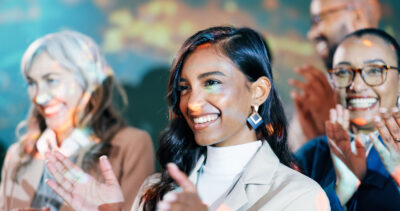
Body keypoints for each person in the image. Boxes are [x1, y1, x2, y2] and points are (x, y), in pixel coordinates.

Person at [44, 26, 330, 211]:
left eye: (212, 83)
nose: (192, 103)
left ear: (258, 91)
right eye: (184, 88)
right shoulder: (154, 189)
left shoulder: (299, 195)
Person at [0, 31, 154, 211]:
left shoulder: (132, 145)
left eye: (51, 80)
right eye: (32, 83)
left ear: (87, 82)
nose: (39, 97)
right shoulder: (18, 155)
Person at [295, 28, 400, 211]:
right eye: (343, 72)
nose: (357, 86)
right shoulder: (313, 155)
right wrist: (341, 190)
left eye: (375, 71)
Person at [288, 0, 382, 151]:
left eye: (318, 20)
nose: (311, 34)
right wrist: (311, 143)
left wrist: (330, 127)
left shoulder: (392, 92)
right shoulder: (318, 93)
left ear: (357, 18)